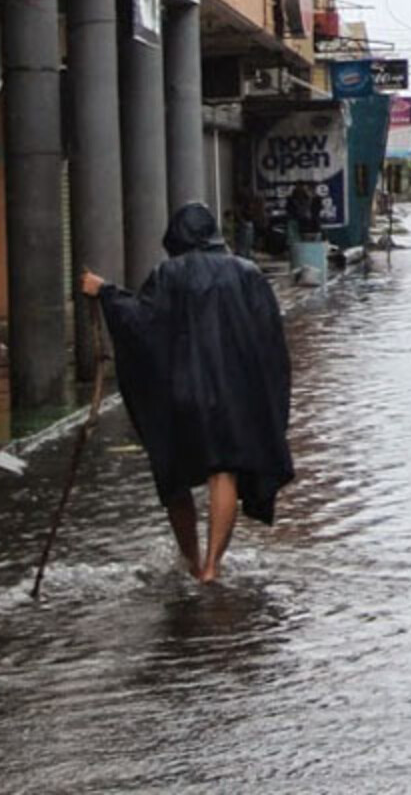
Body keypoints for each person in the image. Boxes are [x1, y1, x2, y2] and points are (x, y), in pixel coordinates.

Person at [82, 203, 294, 584]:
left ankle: (192, 561)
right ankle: (213, 566)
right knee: (223, 471)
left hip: (181, 394)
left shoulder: (168, 274)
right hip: (233, 395)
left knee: (174, 477)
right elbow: (270, 341)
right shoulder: (247, 273)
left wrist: (106, 293)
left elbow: (141, 323)